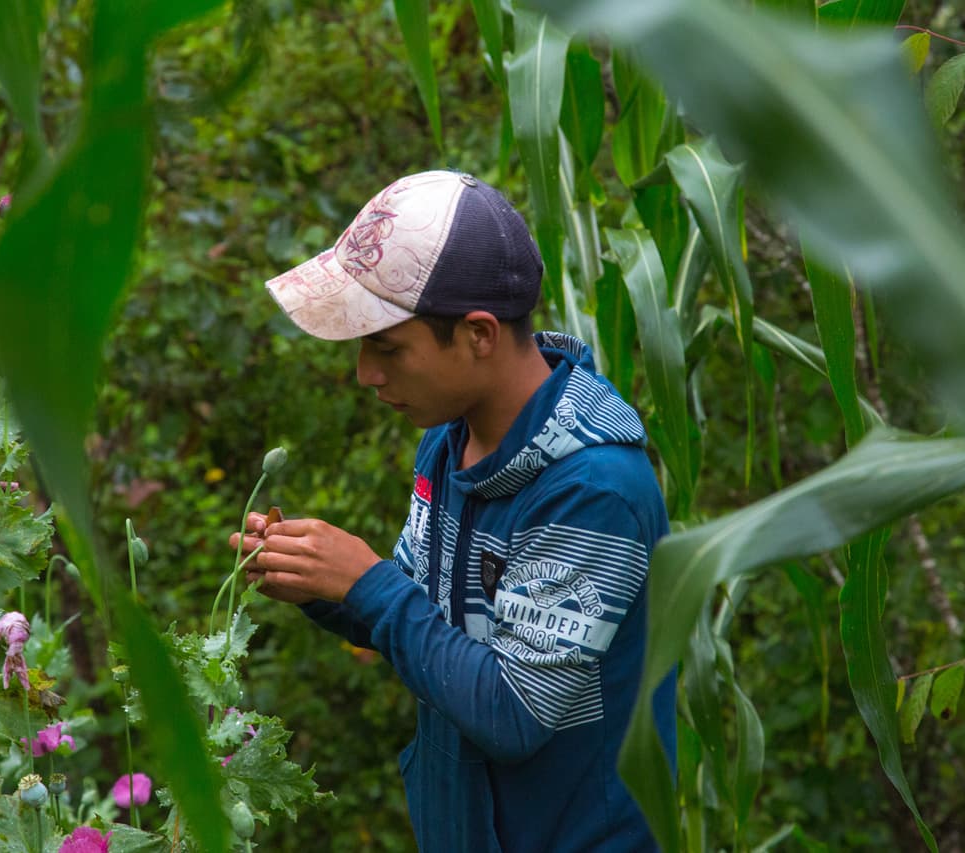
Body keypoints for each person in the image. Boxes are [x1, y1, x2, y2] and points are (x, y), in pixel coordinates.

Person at [232, 170, 676, 852]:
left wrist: (366, 581)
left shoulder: (592, 490)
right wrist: (318, 581)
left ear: (478, 335)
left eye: (387, 347)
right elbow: (426, 622)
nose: (366, 373)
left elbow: (515, 712)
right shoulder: (451, 442)